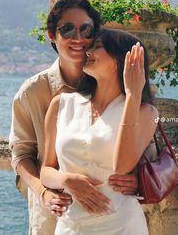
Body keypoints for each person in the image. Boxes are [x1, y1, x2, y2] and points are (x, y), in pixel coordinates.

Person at [9, 0, 138, 235]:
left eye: (86, 29)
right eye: (67, 29)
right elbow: (21, 154)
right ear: (51, 35)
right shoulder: (33, 92)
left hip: (115, 219)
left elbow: (142, 148)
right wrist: (45, 192)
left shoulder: (124, 94)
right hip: (54, 214)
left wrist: (137, 178)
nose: (77, 38)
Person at [41, 28, 159, 235]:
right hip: (71, 226)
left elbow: (121, 167)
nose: (88, 52)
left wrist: (133, 95)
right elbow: (46, 171)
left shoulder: (145, 112)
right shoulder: (61, 104)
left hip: (123, 224)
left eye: (97, 46)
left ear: (122, 58)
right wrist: (65, 180)